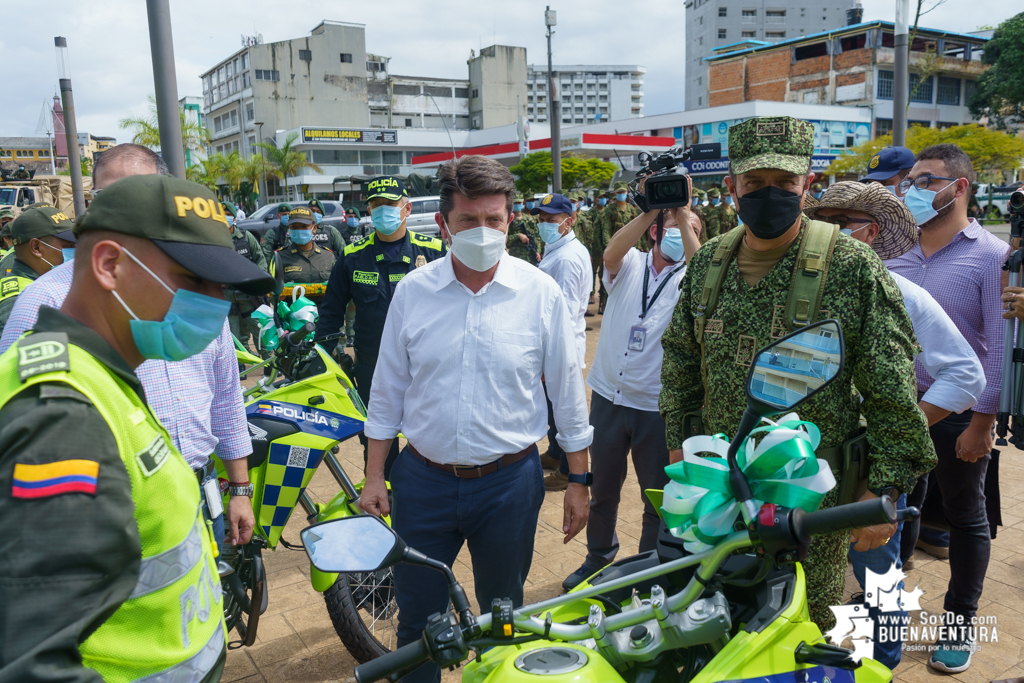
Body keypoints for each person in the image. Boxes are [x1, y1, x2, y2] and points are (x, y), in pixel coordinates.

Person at [659, 115, 936, 637]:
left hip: (815, 499)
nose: (771, 194)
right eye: (755, 184)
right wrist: (679, 447)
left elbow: (892, 390)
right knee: (717, 621)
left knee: (804, 629)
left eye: (785, 184)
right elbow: (678, 364)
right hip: (719, 490)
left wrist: (885, 491)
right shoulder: (708, 262)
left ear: (807, 185)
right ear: (732, 187)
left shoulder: (852, 264)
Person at [0, 174, 274, 682]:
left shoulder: (104, 375)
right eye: (194, 280)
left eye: (220, 286)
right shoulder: (60, 414)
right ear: (109, 265)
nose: (215, 303)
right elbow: (29, 661)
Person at [359, 155, 592, 683]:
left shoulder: (540, 294)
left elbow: (567, 395)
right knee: (419, 623)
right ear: (443, 225)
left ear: (511, 221)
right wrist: (376, 475)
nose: (483, 231)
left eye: (494, 219)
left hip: (509, 483)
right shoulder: (412, 294)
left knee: (502, 619)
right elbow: (386, 392)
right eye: (468, 221)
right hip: (421, 483)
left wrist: (579, 478)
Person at [0, 143, 256, 554]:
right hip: (115, 511)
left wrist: (239, 486)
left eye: (142, 191)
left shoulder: (191, 300)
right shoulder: (41, 306)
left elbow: (226, 393)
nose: (211, 299)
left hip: (201, 485)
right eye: (112, 196)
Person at [809, 180, 986, 670]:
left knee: (878, 578)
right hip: (796, 464)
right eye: (821, 221)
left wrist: (905, 428)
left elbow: (965, 373)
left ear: (870, 233)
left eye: (840, 223)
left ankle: (880, 666)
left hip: (867, 469)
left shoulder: (898, 292)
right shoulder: (791, 289)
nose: (826, 232)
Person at [888, 144, 1009, 673]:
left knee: (965, 516)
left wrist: (983, 423)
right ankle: (884, 615)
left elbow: (997, 345)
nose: (910, 190)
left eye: (924, 180)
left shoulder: (990, 255)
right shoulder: (895, 254)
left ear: (958, 188)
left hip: (959, 409)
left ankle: (959, 624)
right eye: (909, 180)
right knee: (892, 509)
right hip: (897, 404)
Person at [562, 199, 691, 589]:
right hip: (609, 398)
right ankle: (598, 559)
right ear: (654, 231)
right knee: (602, 490)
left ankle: (647, 569)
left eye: (694, 229)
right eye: (675, 228)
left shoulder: (694, 275)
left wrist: (682, 217)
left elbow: (704, 276)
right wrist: (653, 209)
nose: (686, 235)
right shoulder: (632, 263)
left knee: (657, 498)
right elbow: (611, 253)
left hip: (656, 405)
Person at [318, 175, 445, 479]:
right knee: (376, 437)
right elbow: (331, 312)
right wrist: (324, 359)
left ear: (407, 208)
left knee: (427, 433)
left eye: (390, 204)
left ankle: (422, 491)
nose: (382, 211)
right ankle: (381, 493)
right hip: (371, 366)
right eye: (376, 205)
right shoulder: (352, 256)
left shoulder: (432, 252)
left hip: (425, 366)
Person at [531, 194, 592, 491]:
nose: (544, 225)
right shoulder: (558, 248)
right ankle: (556, 454)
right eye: (541, 220)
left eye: (551, 221)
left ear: (568, 222)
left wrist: (549, 357)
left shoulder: (567, 258)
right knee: (554, 405)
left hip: (562, 344)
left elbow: (564, 313)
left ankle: (568, 470)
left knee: (563, 407)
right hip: (557, 342)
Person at [0, 206, 77, 337]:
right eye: (68, 247)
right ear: (36, 248)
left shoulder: (45, 284)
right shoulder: (19, 301)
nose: (75, 252)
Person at [223, 202, 268, 354]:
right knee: (231, 333)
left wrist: (257, 283)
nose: (224, 218)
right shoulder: (212, 239)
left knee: (258, 327)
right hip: (226, 295)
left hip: (248, 294)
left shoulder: (245, 237)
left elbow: (260, 260)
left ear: (234, 217)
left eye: (227, 215)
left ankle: (268, 362)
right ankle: (239, 365)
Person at [269, 206, 336, 304]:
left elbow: (338, 290)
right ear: (289, 230)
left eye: (304, 226)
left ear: (314, 228)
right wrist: (278, 297)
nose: (299, 230)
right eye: (294, 227)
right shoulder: (279, 257)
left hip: (324, 316)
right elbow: (271, 296)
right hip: (293, 316)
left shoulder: (328, 256)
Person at [507, 191, 540, 265]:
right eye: (515, 203)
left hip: (531, 258)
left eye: (519, 203)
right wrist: (518, 235)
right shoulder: (508, 221)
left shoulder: (529, 219)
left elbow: (537, 236)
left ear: (522, 203)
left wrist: (538, 251)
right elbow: (505, 241)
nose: (517, 205)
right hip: (516, 259)